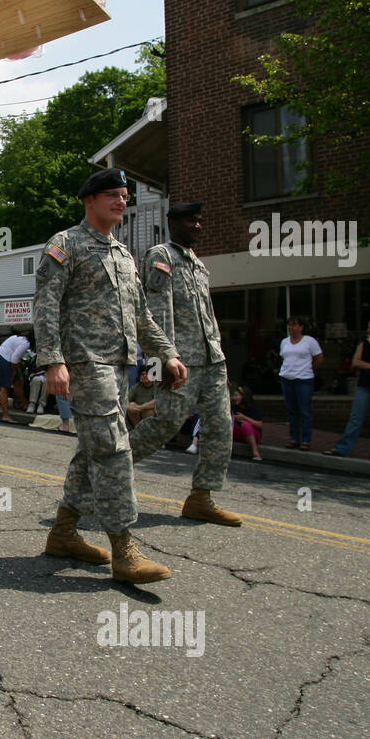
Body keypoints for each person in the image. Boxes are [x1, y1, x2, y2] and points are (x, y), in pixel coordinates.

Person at [34, 167, 187, 583]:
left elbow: (140, 315)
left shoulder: (122, 254)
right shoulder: (66, 244)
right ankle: (124, 547)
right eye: (112, 195)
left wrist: (168, 353)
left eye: (124, 195)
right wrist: (52, 360)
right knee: (114, 450)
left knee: (94, 448)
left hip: (120, 367)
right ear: (89, 200)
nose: (121, 201)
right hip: (85, 365)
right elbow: (46, 303)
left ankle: (64, 533)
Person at [126, 202, 241, 526]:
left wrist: (217, 351)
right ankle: (104, 473)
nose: (198, 226)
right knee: (165, 423)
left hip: (212, 361)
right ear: (174, 222)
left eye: (200, 221)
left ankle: (201, 497)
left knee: (220, 426)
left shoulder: (198, 266)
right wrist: (163, 360)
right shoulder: (161, 256)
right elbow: (157, 313)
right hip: (181, 361)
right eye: (192, 221)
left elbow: (208, 318)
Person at [323, 319, 370, 461]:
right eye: (368, 328)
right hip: (365, 386)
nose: (369, 331)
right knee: (355, 418)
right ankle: (343, 448)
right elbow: (356, 362)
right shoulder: (362, 345)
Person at [278, 315, 322, 450]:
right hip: (287, 379)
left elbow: (319, 358)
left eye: (294, 325)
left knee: (304, 411)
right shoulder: (284, 342)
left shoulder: (309, 341)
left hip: (304, 380)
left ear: (301, 327)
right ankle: (294, 438)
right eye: (289, 325)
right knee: (292, 411)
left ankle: (306, 440)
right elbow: (283, 358)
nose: (291, 328)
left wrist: (310, 369)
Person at [0, 333, 30, 422]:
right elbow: (14, 360)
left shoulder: (18, 338)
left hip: (3, 357)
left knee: (17, 383)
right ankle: (5, 415)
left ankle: (27, 406)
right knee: (5, 387)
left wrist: (18, 374)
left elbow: (15, 360)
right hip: (3, 359)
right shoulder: (26, 344)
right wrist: (14, 372)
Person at [230, 385, 263, 461]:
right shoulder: (234, 406)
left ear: (244, 396)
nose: (234, 398)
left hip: (254, 435)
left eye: (236, 395)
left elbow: (259, 425)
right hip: (239, 435)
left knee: (245, 424)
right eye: (234, 395)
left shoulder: (253, 407)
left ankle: (256, 452)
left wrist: (244, 418)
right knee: (229, 422)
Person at [125, 363, 157, 430]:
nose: (145, 376)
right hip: (137, 413)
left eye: (147, 374)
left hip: (151, 413)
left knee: (148, 412)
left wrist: (141, 407)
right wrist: (130, 407)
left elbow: (157, 401)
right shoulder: (136, 387)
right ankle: (137, 428)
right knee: (131, 405)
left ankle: (148, 430)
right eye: (142, 374)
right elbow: (125, 400)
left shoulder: (156, 387)